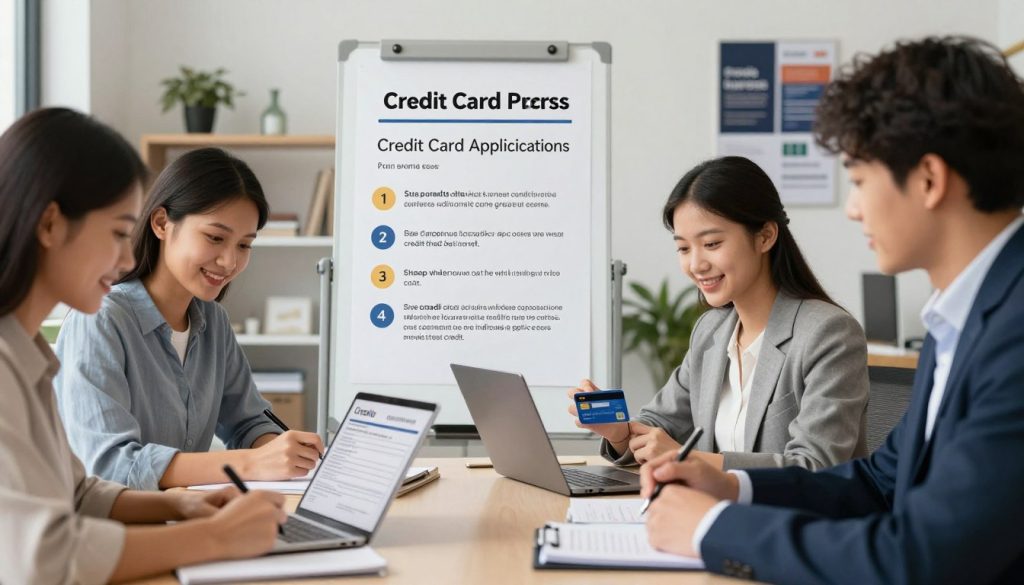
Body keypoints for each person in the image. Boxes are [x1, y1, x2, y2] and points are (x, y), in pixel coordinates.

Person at [640, 36, 1024, 584]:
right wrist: (732, 486)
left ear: (930, 180)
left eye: (860, 180)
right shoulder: (960, 319)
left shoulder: (1014, 332)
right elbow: (875, 483)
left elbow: (920, 558)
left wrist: (712, 529)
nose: (851, 208)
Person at [0, 108, 286, 584]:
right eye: (116, 232)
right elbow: (42, 558)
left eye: (244, 244)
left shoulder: (27, 355)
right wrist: (216, 538)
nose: (128, 256)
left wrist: (182, 503)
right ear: (49, 224)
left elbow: (77, 493)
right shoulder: (22, 358)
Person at [569, 156, 869, 470]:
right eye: (684, 248)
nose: (696, 264)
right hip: (715, 512)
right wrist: (619, 434)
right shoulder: (711, 330)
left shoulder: (828, 333)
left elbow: (814, 466)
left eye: (711, 243)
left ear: (765, 236)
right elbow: (659, 425)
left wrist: (690, 460)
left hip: (796, 517)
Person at [55, 147, 324, 490]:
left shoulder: (214, 323)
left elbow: (248, 422)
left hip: (181, 518)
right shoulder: (100, 319)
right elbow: (111, 466)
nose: (229, 262)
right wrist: (252, 462)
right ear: (162, 223)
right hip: (109, 532)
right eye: (215, 237)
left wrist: (284, 452)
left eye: (244, 245)